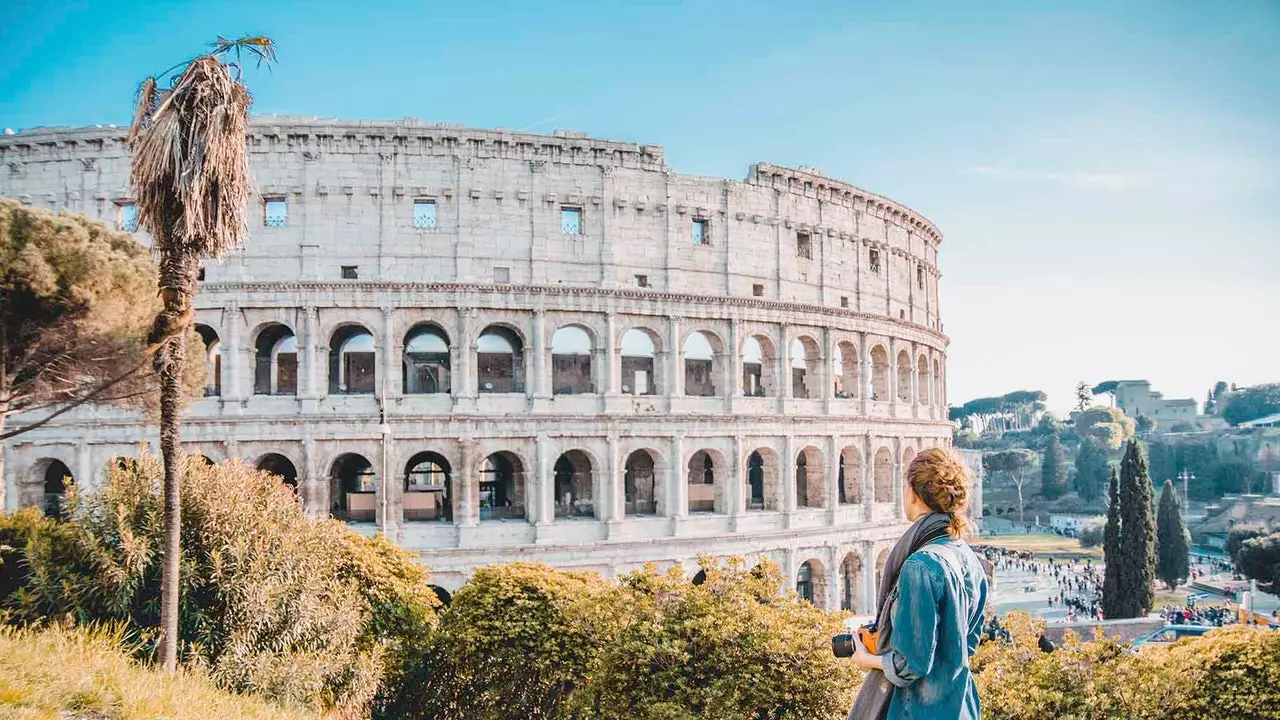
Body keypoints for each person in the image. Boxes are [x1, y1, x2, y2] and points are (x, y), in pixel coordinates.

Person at [846, 448, 989, 720]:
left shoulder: (919, 566)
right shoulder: (968, 557)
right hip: (961, 706)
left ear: (913, 491)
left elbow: (910, 665)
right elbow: (967, 645)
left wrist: (867, 659)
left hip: (918, 709)